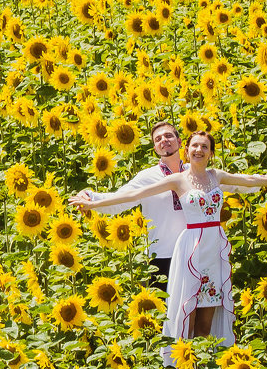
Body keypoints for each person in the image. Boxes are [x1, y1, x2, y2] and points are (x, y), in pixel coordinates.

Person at [70, 131, 267, 350]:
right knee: (180, 315)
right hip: (180, 253)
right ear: (185, 149)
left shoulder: (213, 175)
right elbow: (130, 195)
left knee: (207, 316)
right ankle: (176, 368)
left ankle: (206, 368)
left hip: (212, 251)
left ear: (181, 143)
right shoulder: (167, 178)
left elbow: (243, 181)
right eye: (158, 139)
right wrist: (93, 201)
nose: (199, 150)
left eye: (204, 146)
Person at [72, 121, 187, 293]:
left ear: (179, 141)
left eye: (169, 135)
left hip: (193, 253)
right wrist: (90, 196)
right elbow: (120, 199)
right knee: (165, 315)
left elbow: (222, 184)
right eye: (158, 138)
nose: (164, 140)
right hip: (162, 257)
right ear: (155, 148)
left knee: (195, 312)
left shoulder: (193, 173)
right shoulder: (148, 177)